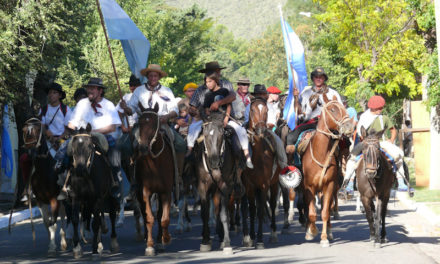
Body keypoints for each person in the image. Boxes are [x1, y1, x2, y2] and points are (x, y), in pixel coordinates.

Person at [119, 64, 186, 188]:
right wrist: (125, 107)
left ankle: (178, 176)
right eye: (151, 75)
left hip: (162, 124)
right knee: (125, 146)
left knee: (181, 144)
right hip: (143, 125)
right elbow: (131, 109)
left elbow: (175, 110)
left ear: (159, 77)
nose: (153, 78)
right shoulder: (139, 90)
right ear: (147, 77)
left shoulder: (167, 90)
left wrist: (166, 117)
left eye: (155, 75)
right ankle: (132, 176)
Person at [58, 77, 122, 200]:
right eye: (88, 88)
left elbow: (113, 127)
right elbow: (73, 122)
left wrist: (93, 132)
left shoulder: (108, 104)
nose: (89, 91)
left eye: (92, 88)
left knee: (114, 153)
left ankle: (115, 183)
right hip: (81, 135)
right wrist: (72, 130)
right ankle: (64, 185)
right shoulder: (82, 104)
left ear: (100, 91)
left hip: (102, 135)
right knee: (63, 152)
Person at [343, 95, 410, 191]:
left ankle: (401, 182)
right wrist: (366, 141)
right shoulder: (364, 117)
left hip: (381, 142)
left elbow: (393, 130)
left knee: (397, 156)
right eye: (379, 108)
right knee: (352, 159)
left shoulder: (384, 118)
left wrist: (391, 140)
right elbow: (360, 133)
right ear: (373, 108)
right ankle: (348, 183)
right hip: (366, 143)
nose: (381, 109)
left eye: (381, 107)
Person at [187, 72, 253, 168]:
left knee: (241, 131)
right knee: (193, 128)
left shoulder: (224, 91)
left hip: (223, 119)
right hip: (208, 120)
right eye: (206, 82)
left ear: (216, 81)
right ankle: (189, 150)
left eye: (210, 82)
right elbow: (200, 107)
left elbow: (229, 105)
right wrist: (197, 111)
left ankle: (247, 157)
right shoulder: (204, 93)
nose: (207, 84)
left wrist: (226, 118)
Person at [20, 82, 72, 202]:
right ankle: (28, 188)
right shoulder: (43, 110)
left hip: (62, 140)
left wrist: (60, 139)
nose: (51, 95)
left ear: (59, 95)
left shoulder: (65, 109)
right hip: (47, 140)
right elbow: (41, 125)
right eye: (49, 93)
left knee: (70, 158)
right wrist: (47, 132)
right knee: (27, 158)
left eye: (54, 93)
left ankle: (68, 186)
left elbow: (69, 128)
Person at [285, 67, 343, 154]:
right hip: (311, 123)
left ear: (324, 78)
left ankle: (343, 162)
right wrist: (296, 98)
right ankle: (293, 163)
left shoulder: (333, 93)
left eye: (321, 77)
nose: (318, 79)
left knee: (344, 141)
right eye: (316, 77)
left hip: (329, 123)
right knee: (290, 137)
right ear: (313, 78)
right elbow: (300, 112)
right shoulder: (306, 93)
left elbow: (341, 109)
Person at [244, 84, 294, 175]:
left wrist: (265, 125)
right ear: (255, 95)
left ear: (265, 95)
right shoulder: (250, 106)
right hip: (252, 131)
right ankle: (239, 167)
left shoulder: (269, 106)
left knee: (278, 142)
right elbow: (247, 120)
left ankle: (284, 166)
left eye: (262, 94)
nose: (260, 96)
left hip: (266, 130)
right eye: (258, 94)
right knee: (240, 143)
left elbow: (272, 122)